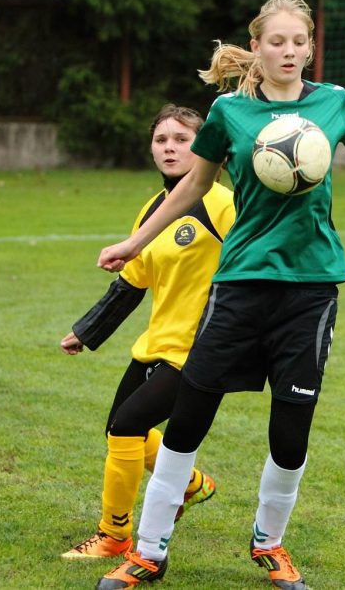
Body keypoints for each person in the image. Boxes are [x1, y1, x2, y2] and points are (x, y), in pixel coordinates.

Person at [95, 0, 345, 590]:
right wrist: (135, 243)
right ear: (256, 47)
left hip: (311, 287)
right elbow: (191, 189)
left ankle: (269, 545)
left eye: (298, 42)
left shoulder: (334, 103)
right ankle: (149, 552)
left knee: (291, 426)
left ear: (311, 47)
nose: (288, 51)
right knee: (189, 419)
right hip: (241, 285)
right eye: (276, 42)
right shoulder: (229, 112)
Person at [59, 104, 235, 563]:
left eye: (182, 139)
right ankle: (192, 484)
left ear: (205, 147)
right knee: (120, 432)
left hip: (198, 349)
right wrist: (86, 331)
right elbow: (132, 281)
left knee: (127, 426)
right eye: (162, 140)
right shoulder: (153, 209)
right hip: (157, 343)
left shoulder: (223, 203)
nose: (171, 148)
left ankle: (114, 535)